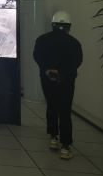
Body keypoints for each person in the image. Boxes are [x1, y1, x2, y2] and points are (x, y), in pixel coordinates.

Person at [33, 11, 83, 160]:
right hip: (66, 81)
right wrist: (62, 73)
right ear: (69, 26)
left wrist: (48, 70)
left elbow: (37, 56)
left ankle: (53, 138)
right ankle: (65, 147)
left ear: (53, 24)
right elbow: (77, 61)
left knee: (52, 106)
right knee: (65, 110)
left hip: (47, 79)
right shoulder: (74, 43)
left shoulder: (42, 40)